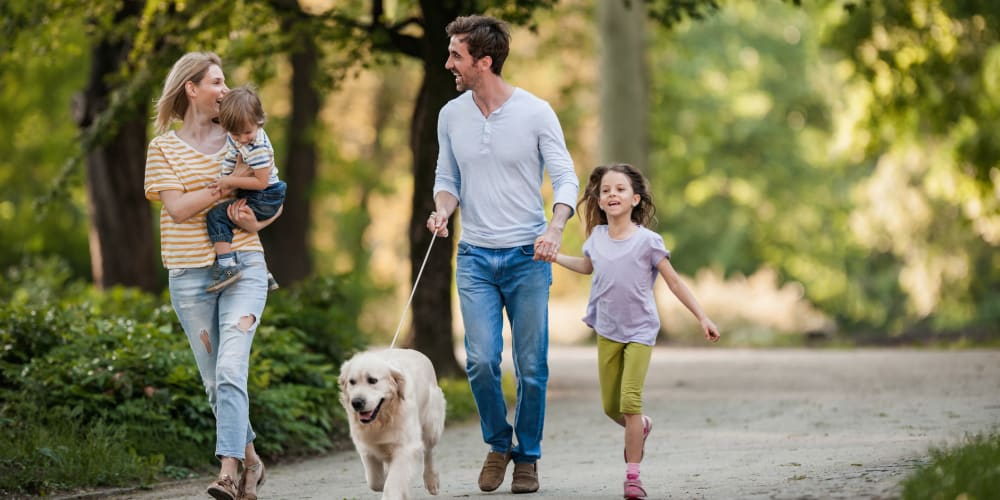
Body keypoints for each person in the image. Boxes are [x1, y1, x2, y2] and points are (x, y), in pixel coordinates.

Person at [426, 14, 580, 495]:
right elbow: (446, 179)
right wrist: (443, 211)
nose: (448, 62)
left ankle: (527, 456)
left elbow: (567, 178)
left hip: (527, 258)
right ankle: (498, 443)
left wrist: (555, 228)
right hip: (474, 257)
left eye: (457, 55)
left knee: (532, 367)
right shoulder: (451, 115)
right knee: (480, 361)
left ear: (484, 62)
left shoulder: (535, 112)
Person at [144, 52, 276, 500]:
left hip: (243, 267)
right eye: (216, 82)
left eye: (225, 82)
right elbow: (177, 210)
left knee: (231, 366)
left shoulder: (243, 131)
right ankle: (253, 463)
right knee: (214, 379)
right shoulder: (162, 147)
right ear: (191, 88)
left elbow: (269, 193)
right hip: (188, 275)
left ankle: (228, 470)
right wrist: (226, 184)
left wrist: (256, 223)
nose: (225, 90)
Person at [552, 163, 721, 500]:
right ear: (599, 202)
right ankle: (640, 427)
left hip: (640, 331)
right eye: (605, 191)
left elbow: (673, 281)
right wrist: (555, 257)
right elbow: (587, 267)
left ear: (635, 199)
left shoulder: (647, 241)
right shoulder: (596, 239)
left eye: (620, 189)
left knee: (630, 402)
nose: (612, 194)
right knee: (610, 407)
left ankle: (633, 477)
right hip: (607, 330)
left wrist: (702, 317)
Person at [204, 85, 286, 293]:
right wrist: (224, 177)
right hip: (258, 191)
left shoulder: (258, 147)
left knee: (217, 216)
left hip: (266, 195)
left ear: (259, 121)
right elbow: (232, 156)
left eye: (247, 132)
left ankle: (227, 267)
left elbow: (261, 182)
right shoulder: (238, 135)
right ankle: (264, 273)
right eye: (235, 133)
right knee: (237, 216)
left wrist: (230, 182)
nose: (241, 139)